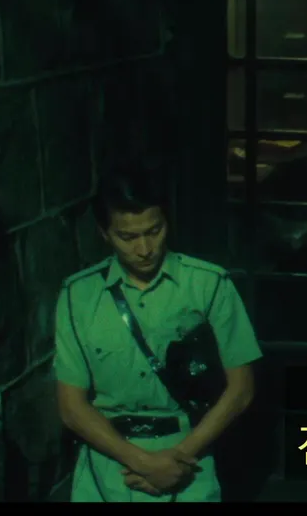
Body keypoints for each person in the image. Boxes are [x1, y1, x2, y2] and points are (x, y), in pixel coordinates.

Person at [54, 165, 263, 502]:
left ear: (168, 222)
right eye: (128, 237)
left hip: (189, 456)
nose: (144, 248)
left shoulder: (209, 285)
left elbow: (241, 389)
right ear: (105, 234)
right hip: (107, 465)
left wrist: (177, 460)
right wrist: (143, 463)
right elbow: (71, 405)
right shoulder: (77, 296)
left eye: (154, 231)